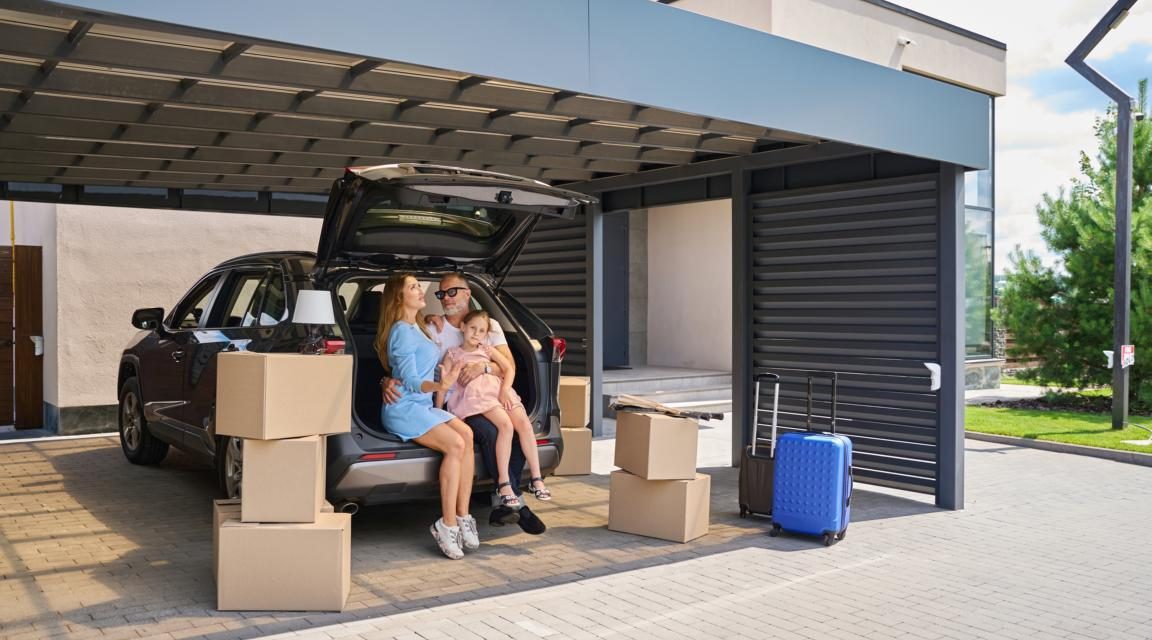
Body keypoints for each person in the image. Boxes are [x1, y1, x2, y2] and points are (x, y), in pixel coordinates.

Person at [383, 272, 546, 535]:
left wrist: (483, 367)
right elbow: (406, 363)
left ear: (468, 294)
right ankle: (514, 501)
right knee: (492, 432)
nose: (445, 298)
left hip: (489, 395)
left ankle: (510, 499)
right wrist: (387, 380)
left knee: (514, 426)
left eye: (451, 292)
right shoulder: (431, 326)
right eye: (441, 294)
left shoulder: (488, 324)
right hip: (454, 401)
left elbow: (509, 365)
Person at [376, 273, 478, 560]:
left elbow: (421, 368)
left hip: (422, 405)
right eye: (414, 287)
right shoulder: (400, 331)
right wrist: (440, 386)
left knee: (467, 435)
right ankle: (445, 525)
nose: (421, 291)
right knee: (455, 445)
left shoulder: (419, 326)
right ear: (400, 297)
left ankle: (463, 516)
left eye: (419, 286)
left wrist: (444, 376)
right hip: (404, 408)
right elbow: (408, 379)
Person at [438, 309, 552, 509]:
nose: (476, 333)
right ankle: (504, 483)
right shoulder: (453, 354)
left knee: (524, 424)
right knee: (506, 426)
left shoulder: (488, 349)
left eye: (481, 331)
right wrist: (438, 410)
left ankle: (536, 478)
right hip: (478, 396)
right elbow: (445, 384)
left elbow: (508, 368)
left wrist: (505, 389)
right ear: (463, 327)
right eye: (472, 328)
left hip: (499, 391)